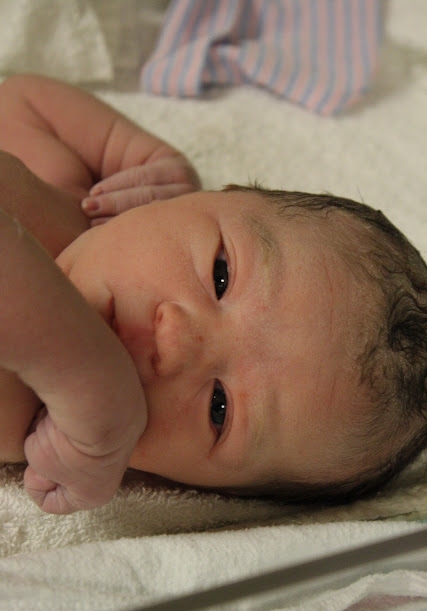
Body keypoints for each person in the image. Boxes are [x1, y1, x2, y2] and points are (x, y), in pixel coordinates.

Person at [0, 75, 425, 516]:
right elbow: (20, 100)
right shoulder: (75, 194)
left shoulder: (14, 405)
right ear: (207, 199)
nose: (176, 340)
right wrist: (141, 156)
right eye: (221, 275)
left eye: (218, 410)